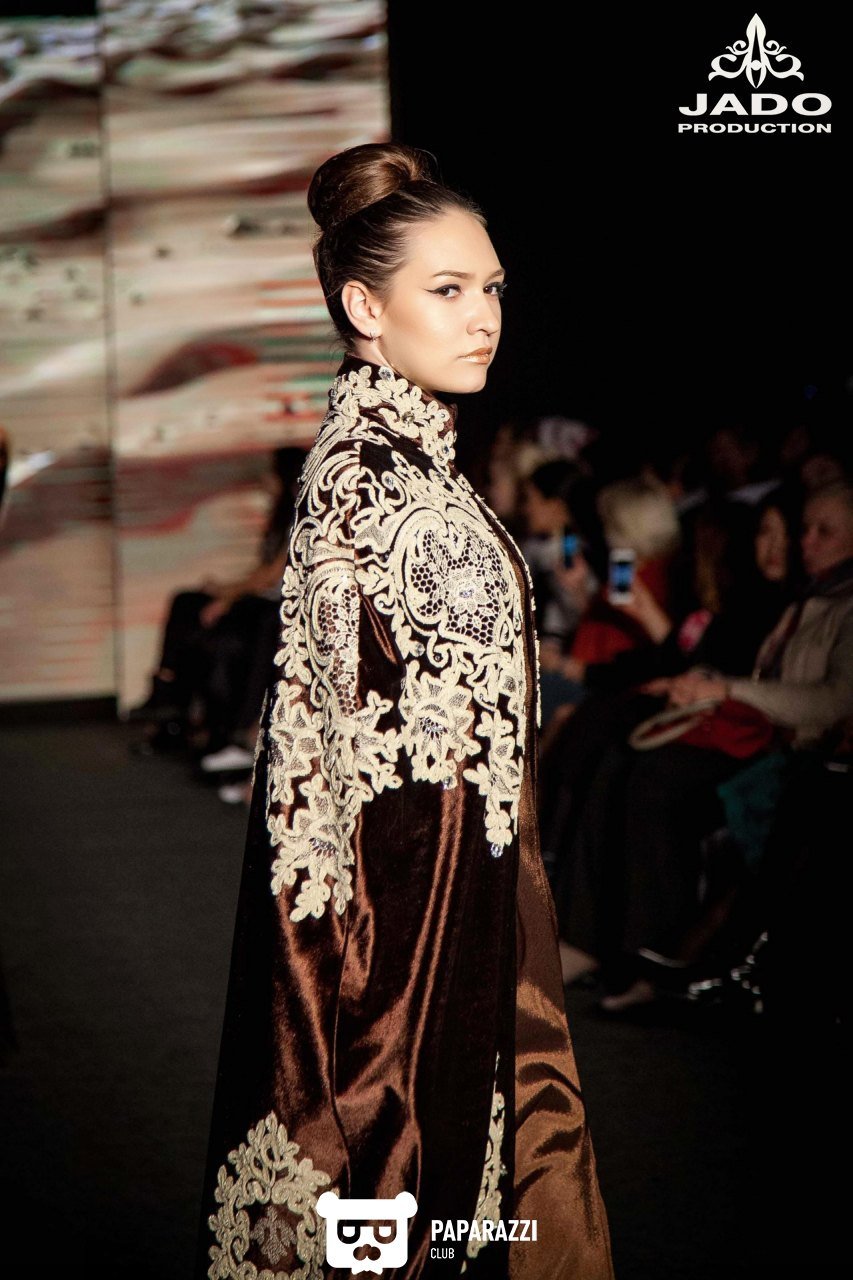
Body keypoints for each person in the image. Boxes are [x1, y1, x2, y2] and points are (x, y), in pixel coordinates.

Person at [193, 143, 614, 1279]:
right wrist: (386, 1029)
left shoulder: (392, 463)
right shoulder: (378, 483)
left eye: (493, 288)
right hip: (412, 956)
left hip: (441, 923)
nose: (484, 317)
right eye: (449, 288)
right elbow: (367, 784)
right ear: (363, 307)